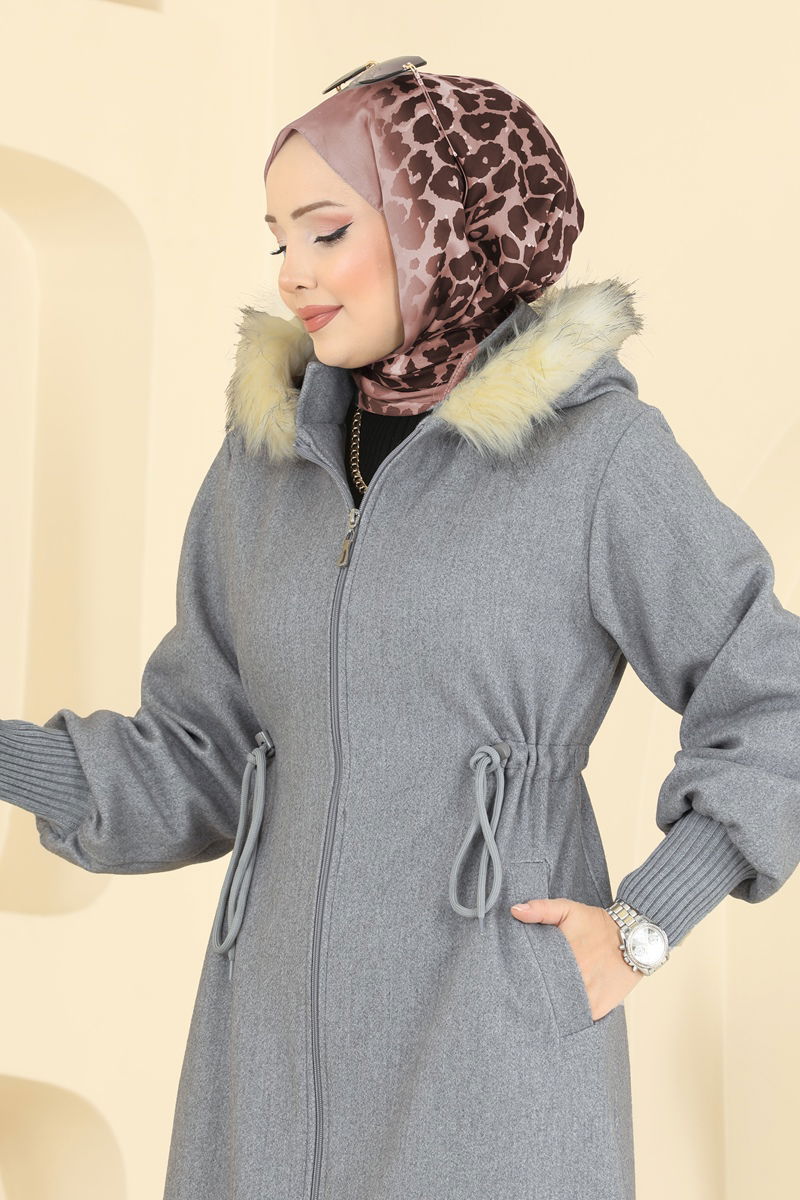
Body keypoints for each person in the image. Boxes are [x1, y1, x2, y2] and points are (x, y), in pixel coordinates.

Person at [1, 56, 799, 1200]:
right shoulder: (261, 470)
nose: (293, 275)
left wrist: (646, 921)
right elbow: (197, 757)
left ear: (445, 228)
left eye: (326, 231)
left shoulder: (595, 458)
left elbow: (772, 689)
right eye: (278, 240)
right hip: (263, 1068)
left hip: (491, 1055)